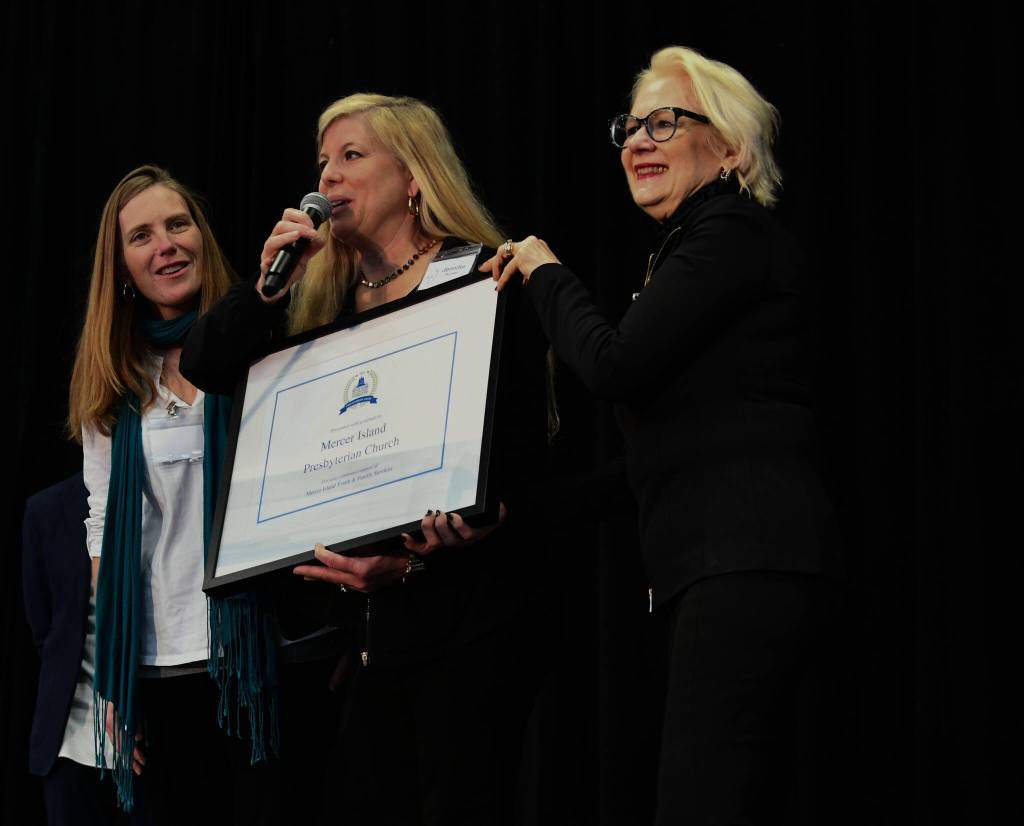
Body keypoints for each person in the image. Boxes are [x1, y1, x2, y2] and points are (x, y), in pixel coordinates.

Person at [485, 46, 844, 825]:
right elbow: (651, 462)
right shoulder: (696, 249)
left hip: (745, 559)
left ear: (731, 147)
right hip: (724, 565)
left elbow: (612, 363)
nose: (636, 142)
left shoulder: (730, 234)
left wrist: (546, 271)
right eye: (630, 127)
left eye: (663, 122)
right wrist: (511, 514)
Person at [179, 93, 549, 826]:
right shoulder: (318, 306)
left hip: (471, 629)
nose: (330, 176)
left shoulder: (485, 281)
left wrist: (423, 558)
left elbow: (528, 466)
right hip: (361, 644)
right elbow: (205, 361)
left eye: (352, 156)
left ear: (414, 177)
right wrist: (269, 283)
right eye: (322, 161)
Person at [67, 165, 294, 824]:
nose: (164, 244)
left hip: (260, 660)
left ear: (202, 236)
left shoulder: (262, 335)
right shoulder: (114, 379)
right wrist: (113, 682)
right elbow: (103, 530)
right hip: (160, 664)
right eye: (141, 236)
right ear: (123, 269)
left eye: (177, 224)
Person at [22, 472, 137, 825]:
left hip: (141, 744)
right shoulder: (46, 509)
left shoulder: (160, 496)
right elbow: (44, 630)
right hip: (68, 742)